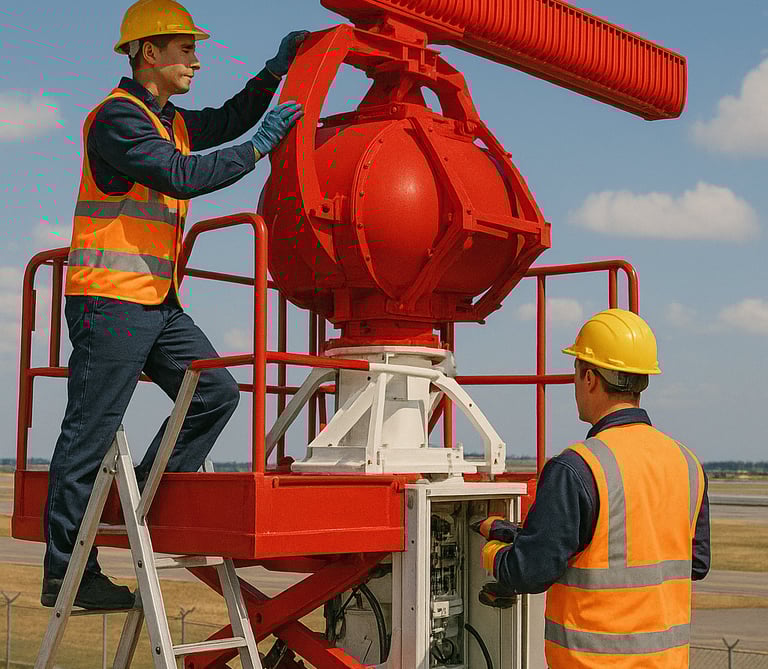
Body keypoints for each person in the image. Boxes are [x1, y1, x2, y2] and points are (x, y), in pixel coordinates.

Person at [42, 0, 307, 610]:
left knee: (216, 393)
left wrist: (272, 73)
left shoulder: (170, 121)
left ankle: (140, 496)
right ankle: (68, 575)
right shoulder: (117, 119)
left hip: (156, 302)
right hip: (108, 301)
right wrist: (260, 148)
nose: (195, 60)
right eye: (185, 49)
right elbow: (182, 176)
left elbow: (229, 118)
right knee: (90, 432)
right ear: (148, 52)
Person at [476, 308, 710, 668]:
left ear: (588, 377)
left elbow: (530, 571)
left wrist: (492, 552)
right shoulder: (687, 462)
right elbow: (694, 563)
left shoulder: (577, 467)